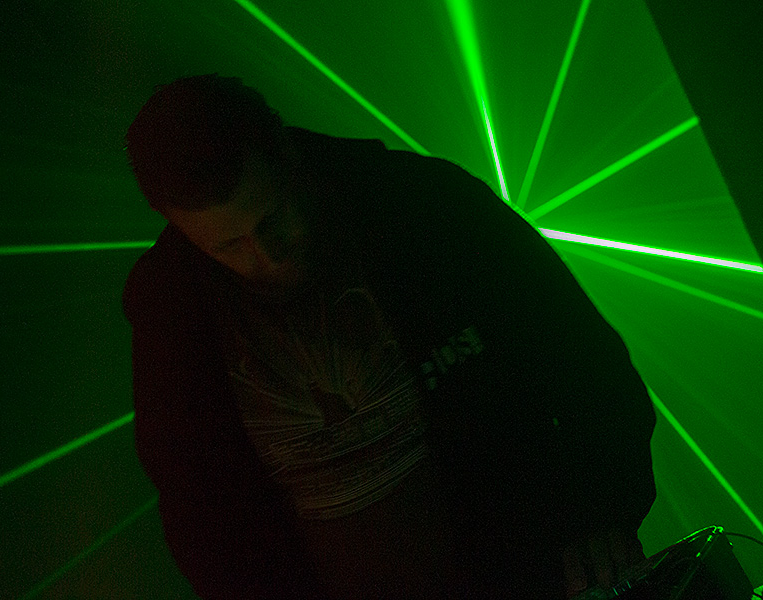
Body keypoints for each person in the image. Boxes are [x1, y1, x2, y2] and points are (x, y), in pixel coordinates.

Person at [121, 73, 657, 600]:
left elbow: (583, 357)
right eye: (227, 246)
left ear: (287, 154)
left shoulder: (425, 207)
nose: (268, 255)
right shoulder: (170, 311)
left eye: (272, 218)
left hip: (531, 575)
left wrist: (603, 512)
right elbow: (196, 503)